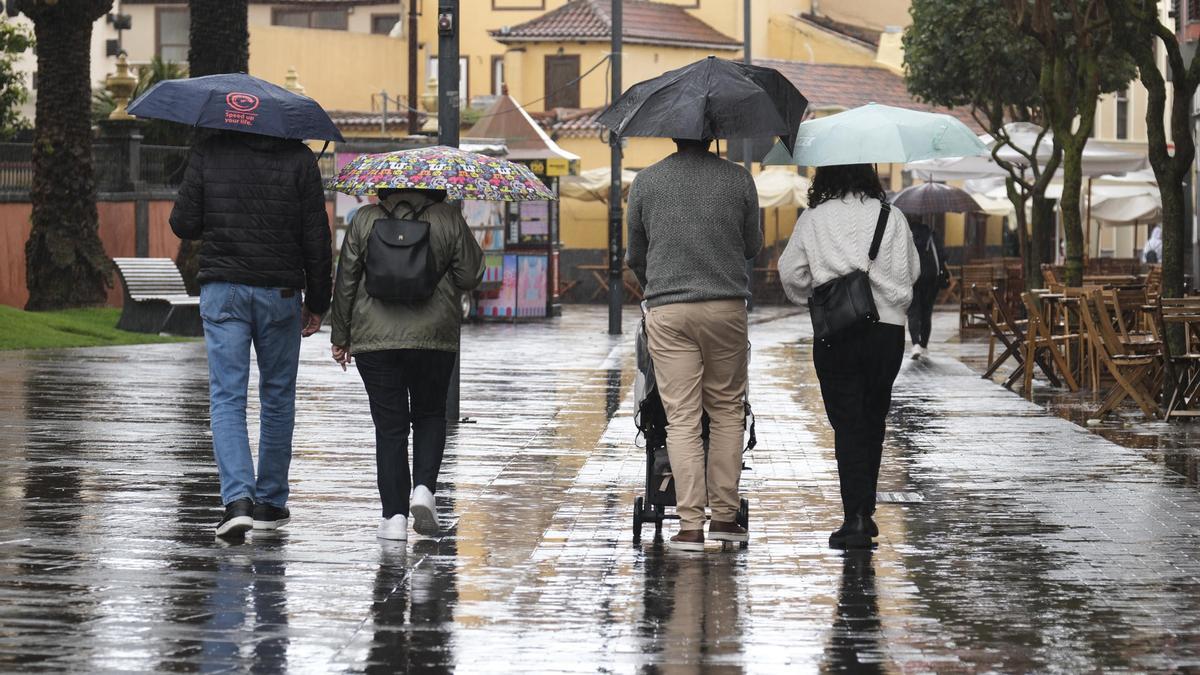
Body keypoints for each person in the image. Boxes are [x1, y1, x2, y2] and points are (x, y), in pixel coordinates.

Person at [170, 129, 332, 540]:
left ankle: (237, 502)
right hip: (279, 293)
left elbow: (183, 223)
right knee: (277, 397)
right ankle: (271, 503)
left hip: (224, 289)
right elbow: (316, 236)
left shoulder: (209, 150)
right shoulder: (300, 159)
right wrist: (318, 300)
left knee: (227, 397)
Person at [626, 137, 762, 552]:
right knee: (725, 410)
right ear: (712, 133)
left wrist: (660, 282)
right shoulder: (739, 180)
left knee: (681, 417)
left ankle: (689, 526)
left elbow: (636, 254)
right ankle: (724, 518)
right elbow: (752, 245)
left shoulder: (646, 182)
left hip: (668, 309)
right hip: (725, 308)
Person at [329, 187, 483, 542]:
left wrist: (341, 335)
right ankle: (424, 490)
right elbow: (470, 276)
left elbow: (347, 279)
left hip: (375, 338)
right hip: (434, 337)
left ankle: (394, 518)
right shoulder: (447, 217)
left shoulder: (365, 219)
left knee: (390, 428)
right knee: (430, 414)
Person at [778, 164, 920, 549]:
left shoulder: (814, 219)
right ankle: (864, 511)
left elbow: (790, 273)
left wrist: (822, 288)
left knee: (847, 422)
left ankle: (854, 517)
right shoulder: (893, 216)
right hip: (887, 332)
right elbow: (914, 271)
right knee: (873, 417)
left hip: (836, 330)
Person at [906, 216, 948, 360]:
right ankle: (924, 345)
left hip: (912, 279)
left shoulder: (907, 235)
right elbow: (943, 255)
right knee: (926, 312)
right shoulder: (931, 234)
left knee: (913, 312)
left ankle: (915, 344)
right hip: (931, 280)